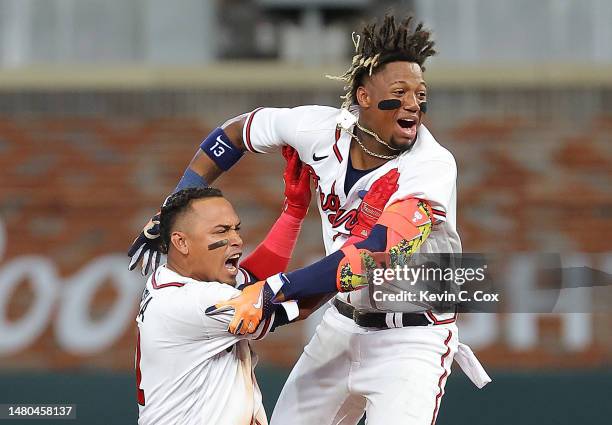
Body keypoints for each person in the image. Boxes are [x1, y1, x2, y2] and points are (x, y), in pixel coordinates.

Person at [129, 14, 490, 425]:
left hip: (412, 335)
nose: (413, 104)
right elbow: (234, 134)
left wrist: (277, 285)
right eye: (400, 92)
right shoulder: (319, 130)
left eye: (420, 94)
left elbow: (377, 254)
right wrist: (173, 207)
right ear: (364, 96)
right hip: (342, 323)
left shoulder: (432, 166)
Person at [136, 149, 313, 425]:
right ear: (181, 242)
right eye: (221, 231)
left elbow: (253, 282)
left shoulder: (182, 277)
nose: (237, 241)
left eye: (236, 229)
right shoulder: (190, 300)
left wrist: (294, 212)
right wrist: (355, 253)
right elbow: (292, 303)